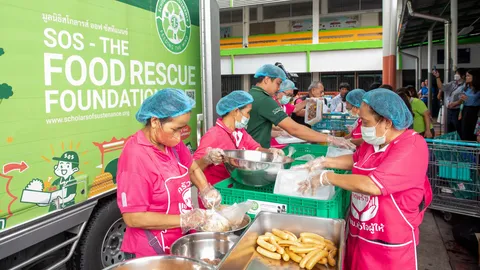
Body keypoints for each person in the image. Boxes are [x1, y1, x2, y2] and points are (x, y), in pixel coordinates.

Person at [295, 89, 432, 270]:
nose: (362, 126)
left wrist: (327, 177)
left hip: (388, 244)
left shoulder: (412, 147)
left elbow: (373, 185)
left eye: (365, 122)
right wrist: (324, 162)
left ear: (387, 122)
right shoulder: (376, 141)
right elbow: (356, 159)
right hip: (360, 232)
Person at [116, 89, 223, 258]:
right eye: (175, 129)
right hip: (152, 250)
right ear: (155, 121)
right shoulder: (135, 157)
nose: (179, 136)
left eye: (182, 129)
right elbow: (133, 217)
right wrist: (184, 220)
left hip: (179, 241)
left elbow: (192, 168)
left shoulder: (171, 142)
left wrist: (206, 190)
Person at [246, 64, 355, 150]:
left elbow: (257, 128)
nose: (278, 88)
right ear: (266, 79)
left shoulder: (252, 95)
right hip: (257, 151)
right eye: (278, 83)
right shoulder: (265, 100)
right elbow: (294, 129)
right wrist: (330, 138)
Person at [194, 90, 284, 186]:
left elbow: (255, 148)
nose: (249, 117)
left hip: (235, 186)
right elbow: (194, 168)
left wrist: (270, 152)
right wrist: (207, 158)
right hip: (216, 191)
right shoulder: (213, 135)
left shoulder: (240, 132)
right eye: (248, 112)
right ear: (236, 111)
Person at [434, 68, 467, 133]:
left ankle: (458, 142)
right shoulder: (452, 83)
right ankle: (451, 142)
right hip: (449, 110)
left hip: (457, 111)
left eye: (457, 74)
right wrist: (437, 77)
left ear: (463, 76)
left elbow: (464, 98)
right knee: (449, 129)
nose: (455, 75)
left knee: (458, 129)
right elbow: (441, 87)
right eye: (455, 73)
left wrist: (455, 103)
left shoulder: (465, 86)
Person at [457, 69, 480, 141]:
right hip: (465, 110)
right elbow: (462, 101)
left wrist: (467, 98)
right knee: (464, 132)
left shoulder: (478, 89)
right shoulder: (466, 88)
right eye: (466, 76)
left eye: (468, 76)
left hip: (474, 112)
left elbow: (473, 99)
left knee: (472, 132)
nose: (466, 77)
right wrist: (460, 112)